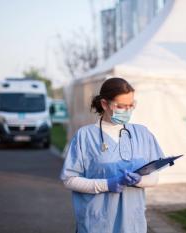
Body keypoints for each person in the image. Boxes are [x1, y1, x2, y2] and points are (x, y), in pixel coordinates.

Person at [60, 77, 164, 233]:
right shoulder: (85, 136)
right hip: (98, 222)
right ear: (104, 104)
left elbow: (155, 177)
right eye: (121, 106)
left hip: (132, 223)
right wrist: (107, 184)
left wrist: (140, 180)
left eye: (131, 105)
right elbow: (69, 180)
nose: (127, 110)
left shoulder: (142, 134)